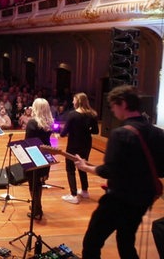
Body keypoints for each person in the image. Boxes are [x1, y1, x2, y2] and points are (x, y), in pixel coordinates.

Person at [75, 85, 163, 258]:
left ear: (122, 103)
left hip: (119, 200)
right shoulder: (158, 134)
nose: (113, 111)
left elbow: (109, 170)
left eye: (113, 106)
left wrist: (85, 167)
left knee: (92, 242)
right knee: (126, 241)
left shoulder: (120, 134)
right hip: (143, 199)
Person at [59, 93, 99, 204]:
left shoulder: (72, 115)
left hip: (73, 144)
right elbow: (96, 131)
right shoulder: (92, 114)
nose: (72, 102)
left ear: (78, 101)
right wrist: (85, 130)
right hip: (86, 144)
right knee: (83, 165)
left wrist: (62, 132)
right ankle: (85, 191)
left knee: (70, 168)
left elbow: (63, 133)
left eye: (74, 99)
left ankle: (73, 194)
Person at [24, 98, 54, 220]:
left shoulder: (32, 123)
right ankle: (37, 206)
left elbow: (27, 142)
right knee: (39, 183)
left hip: (34, 154)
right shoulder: (49, 123)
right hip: (46, 154)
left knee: (33, 183)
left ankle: (37, 210)